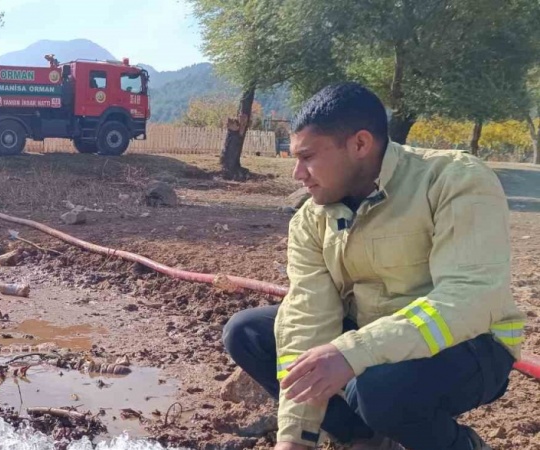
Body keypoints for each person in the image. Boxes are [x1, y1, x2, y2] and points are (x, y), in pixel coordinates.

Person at [222, 82, 526, 450]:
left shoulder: (452, 180)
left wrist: (354, 353)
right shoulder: (311, 219)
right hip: (375, 342)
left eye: (308, 157)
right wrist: (295, 438)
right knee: (249, 333)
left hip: (473, 346)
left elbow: (468, 301)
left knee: (381, 389)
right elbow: (307, 316)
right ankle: (366, 439)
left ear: (360, 145)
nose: (297, 174)